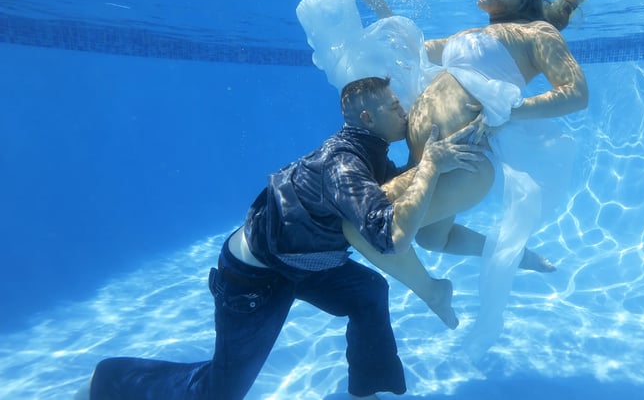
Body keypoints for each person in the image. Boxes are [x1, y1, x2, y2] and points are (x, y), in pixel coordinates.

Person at [80, 77, 487, 400]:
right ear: (367, 117)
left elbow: (399, 188)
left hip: (306, 262)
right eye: (394, 106)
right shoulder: (343, 165)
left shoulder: (372, 152)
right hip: (256, 278)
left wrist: (438, 156)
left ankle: (366, 391)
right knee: (218, 392)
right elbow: (390, 238)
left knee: (367, 291)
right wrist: (431, 165)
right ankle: (111, 378)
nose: (404, 110)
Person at [296, 0, 588, 357]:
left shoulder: (534, 33)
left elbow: (575, 93)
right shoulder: (469, 35)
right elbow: (405, 51)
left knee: (359, 226)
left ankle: (433, 291)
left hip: (461, 163)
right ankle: (514, 254)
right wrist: (376, 1)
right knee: (434, 237)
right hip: (431, 160)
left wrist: (507, 111)